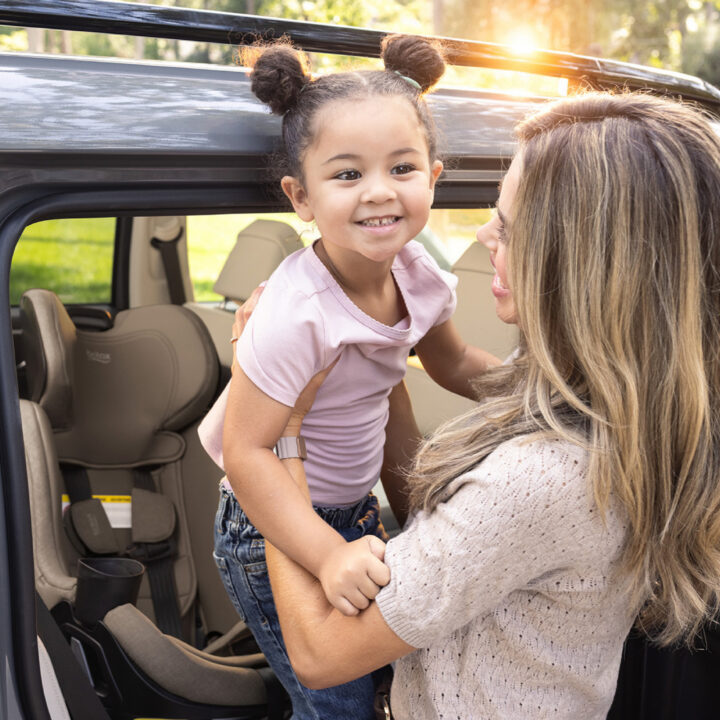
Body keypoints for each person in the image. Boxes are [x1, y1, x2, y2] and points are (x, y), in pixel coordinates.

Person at [253, 91, 720, 720]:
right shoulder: (637, 412)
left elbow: (320, 654)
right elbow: (461, 532)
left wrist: (285, 438)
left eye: (509, 224)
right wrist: (370, 350)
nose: (483, 233)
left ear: (583, 264)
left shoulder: (543, 477)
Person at [198, 35, 499, 718]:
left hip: (353, 509)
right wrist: (328, 555)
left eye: (402, 167)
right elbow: (246, 454)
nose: (379, 193)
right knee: (334, 700)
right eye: (347, 175)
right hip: (271, 519)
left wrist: (538, 390)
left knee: (377, 678)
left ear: (434, 176)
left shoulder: (419, 278)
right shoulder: (294, 314)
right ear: (300, 197)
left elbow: (452, 363)